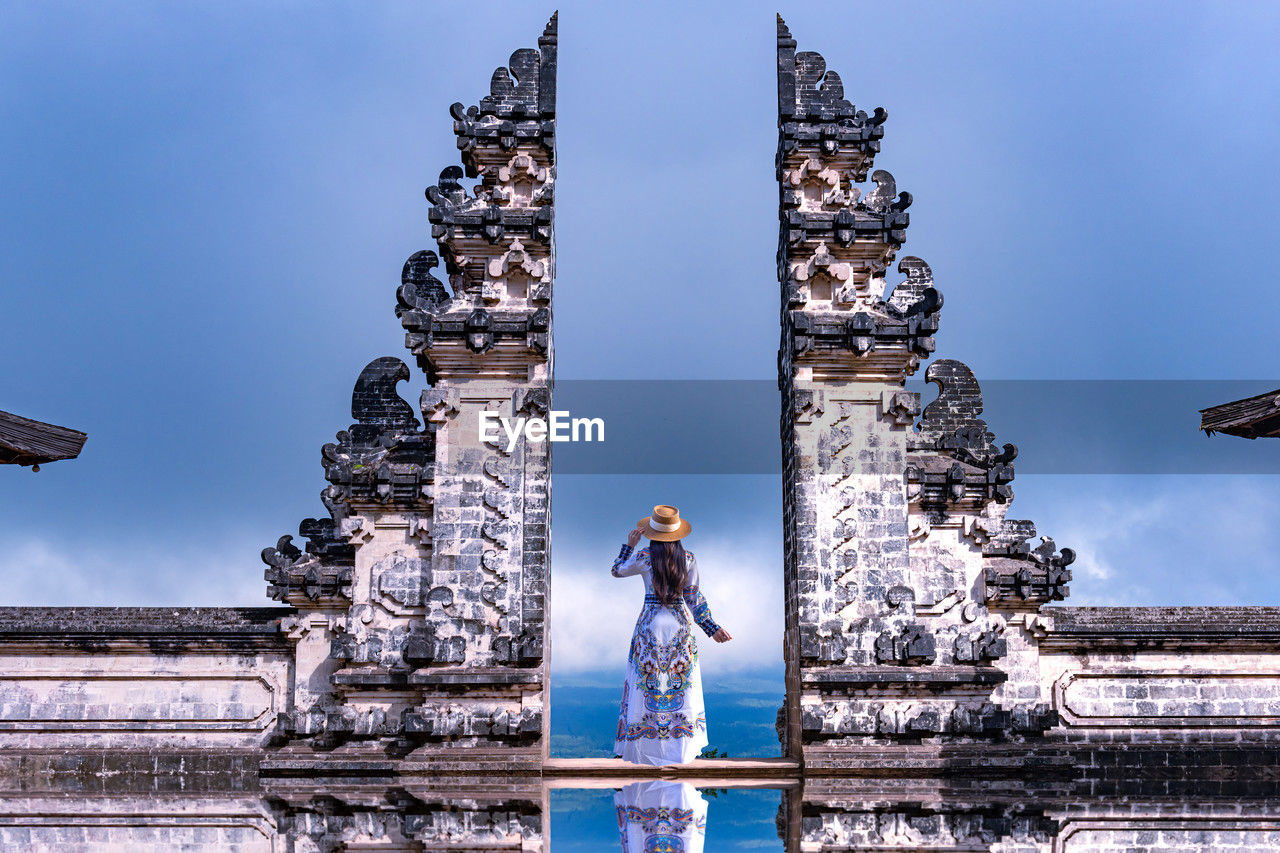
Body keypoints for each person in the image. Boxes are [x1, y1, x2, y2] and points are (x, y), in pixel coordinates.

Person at [611, 504, 731, 765]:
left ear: (653, 532)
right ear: (677, 533)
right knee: (680, 686)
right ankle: (679, 750)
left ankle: (645, 750)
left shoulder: (643, 557)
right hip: (679, 627)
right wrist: (712, 628)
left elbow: (616, 570)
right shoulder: (688, 558)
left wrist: (629, 545)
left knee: (648, 686)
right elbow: (694, 597)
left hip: (650, 625)